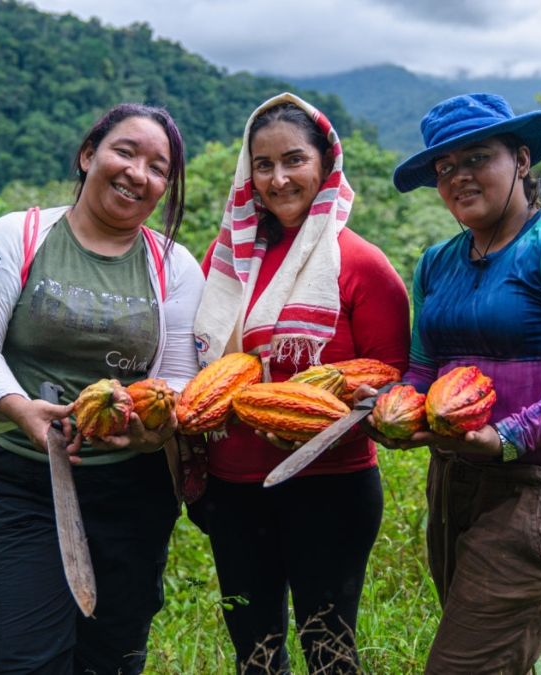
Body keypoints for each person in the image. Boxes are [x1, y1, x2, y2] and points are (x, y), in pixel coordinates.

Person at [384, 93, 541, 673]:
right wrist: (392, 407)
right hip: (454, 483)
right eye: (445, 168)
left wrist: (511, 434)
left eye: (476, 158)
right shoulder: (436, 263)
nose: (458, 177)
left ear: (522, 159)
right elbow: (424, 370)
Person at [0, 103, 204, 673]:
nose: (139, 173)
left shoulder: (174, 266)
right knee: (15, 654)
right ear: (89, 155)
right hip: (24, 482)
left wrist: (145, 428)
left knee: (110, 657)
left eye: (159, 167)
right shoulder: (19, 235)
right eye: (126, 152)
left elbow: (181, 378)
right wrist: (21, 411)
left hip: (132, 489)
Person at [188, 93, 411, 674]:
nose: (279, 178)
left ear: (324, 164)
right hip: (234, 487)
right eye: (263, 165)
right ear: (248, 172)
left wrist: (354, 400)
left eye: (294, 161)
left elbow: (394, 373)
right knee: (255, 655)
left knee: (329, 650)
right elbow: (198, 357)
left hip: (330, 487)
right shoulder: (225, 258)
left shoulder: (359, 263)